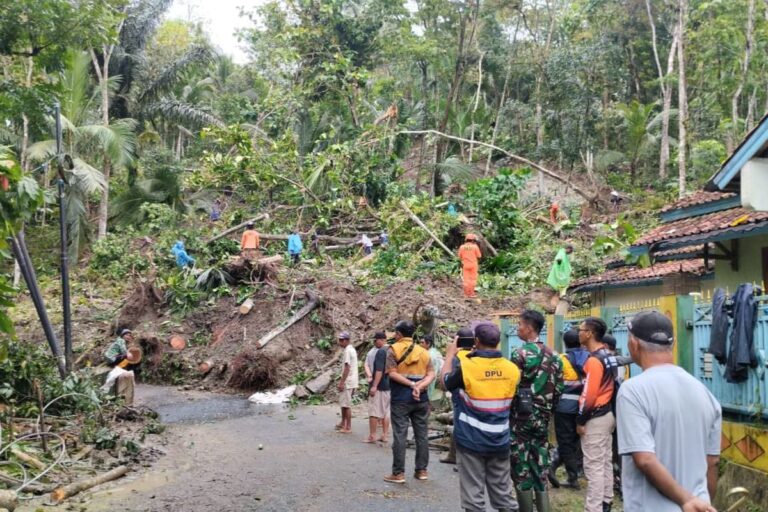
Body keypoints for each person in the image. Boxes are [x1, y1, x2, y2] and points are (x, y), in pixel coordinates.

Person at [618, 311, 721, 512]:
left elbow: (645, 459)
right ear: (672, 345)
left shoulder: (632, 391)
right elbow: (713, 461)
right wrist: (701, 504)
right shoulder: (705, 393)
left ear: (634, 344)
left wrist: (686, 500)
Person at [441, 323, 521, 512]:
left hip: (471, 440)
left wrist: (450, 355)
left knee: (473, 499)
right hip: (500, 439)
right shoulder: (512, 369)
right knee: (503, 495)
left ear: (476, 341)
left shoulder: (467, 367)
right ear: (498, 342)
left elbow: (444, 383)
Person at [509, 310, 564, 512]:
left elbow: (512, 387)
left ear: (529, 328)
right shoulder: (555, 356)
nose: (518, 328)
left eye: (520, 325)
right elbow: (559, 388)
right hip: (543, 417)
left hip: (521, 418)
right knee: (540, 465)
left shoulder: (519, 354)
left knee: (520, 466)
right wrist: (547, 409)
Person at [383, 320, 434, 484]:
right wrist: (420, 385)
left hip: (401, 399)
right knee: (422, 435)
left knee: (400, 435)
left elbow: (392, 373)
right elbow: (431, 374)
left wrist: (412, 384)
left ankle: (398, 473)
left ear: (398, 334)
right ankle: (422, 471)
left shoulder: (393, 349)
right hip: (421, 399)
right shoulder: (424, 351)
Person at [577, 317, 619, 512]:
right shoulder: (608, 356)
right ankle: (606, 501)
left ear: (589, 334)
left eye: (581, 330)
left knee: (593, 466)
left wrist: (581, 420)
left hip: (595, 417)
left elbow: (590, 395)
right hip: (608, 414)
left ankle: (593, 508)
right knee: (604, 462)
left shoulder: (594, 361)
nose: (578, 333)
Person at [550, 328, 589, 490]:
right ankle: (559, 469)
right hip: (584, 407)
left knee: (565, 441)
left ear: (565, 343)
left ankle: (572, 477)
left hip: (564, 407)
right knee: (575, 440)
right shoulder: (589, 358)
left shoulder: (560, 360)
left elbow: (553, 383)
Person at [440, 327, 476, 465]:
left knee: (459, 425)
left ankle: (459, 458)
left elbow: (446, 380)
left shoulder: (455, 358)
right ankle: (454, 455)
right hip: (475, 395)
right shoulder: (475, 355)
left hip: (458, 396)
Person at [366, 332, 391, 443]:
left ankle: (372, 436)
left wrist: (374, 386)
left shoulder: (381, 352)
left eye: (375, 340)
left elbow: (379, 370)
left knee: (374, 411)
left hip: (380, 385)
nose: (374, 343)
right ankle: (385, 435)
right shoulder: (391, 350)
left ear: (381, 340)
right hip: (389, 385)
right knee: (386, 412)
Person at [103, 329, 137, 405]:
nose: (128, 337)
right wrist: (128, 354)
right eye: (126, 335)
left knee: (125, 357)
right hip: (112, 358)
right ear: (122, 335)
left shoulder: (119, 341)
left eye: (129, 335)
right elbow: (123, 351)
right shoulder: (121, 341)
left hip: (110, 358)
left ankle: (120, 367)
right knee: (126, 357)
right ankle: (120, 367)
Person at [335, 332, 358, 434]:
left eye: (342, 340)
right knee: (343, 403)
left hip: (348, 381)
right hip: (351, 380)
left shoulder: (348, 351)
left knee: (346, 405)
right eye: (339, 340)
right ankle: (343, 422)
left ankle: (348, 427)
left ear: (347, 340)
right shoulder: (350, 349)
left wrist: (342, 382)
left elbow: (347, 368)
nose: (340, 342)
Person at [419, 334, 444, 405]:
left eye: (422, 342)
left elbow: (433, 373)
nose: (420, 344)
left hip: (433, 380)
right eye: (420, 342)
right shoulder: (434, 352)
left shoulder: (431, 355)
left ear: (428, 344)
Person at [458, 234, 482, 298]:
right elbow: (479, 256)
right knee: (472, 279)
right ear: (473, 240)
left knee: (466, 279)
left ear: (466, 240)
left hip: (465, 265)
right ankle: (471, 294)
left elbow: (459, 256)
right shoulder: (475, 247)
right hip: (473, 265)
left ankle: (466, 294)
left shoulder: (462, 247)